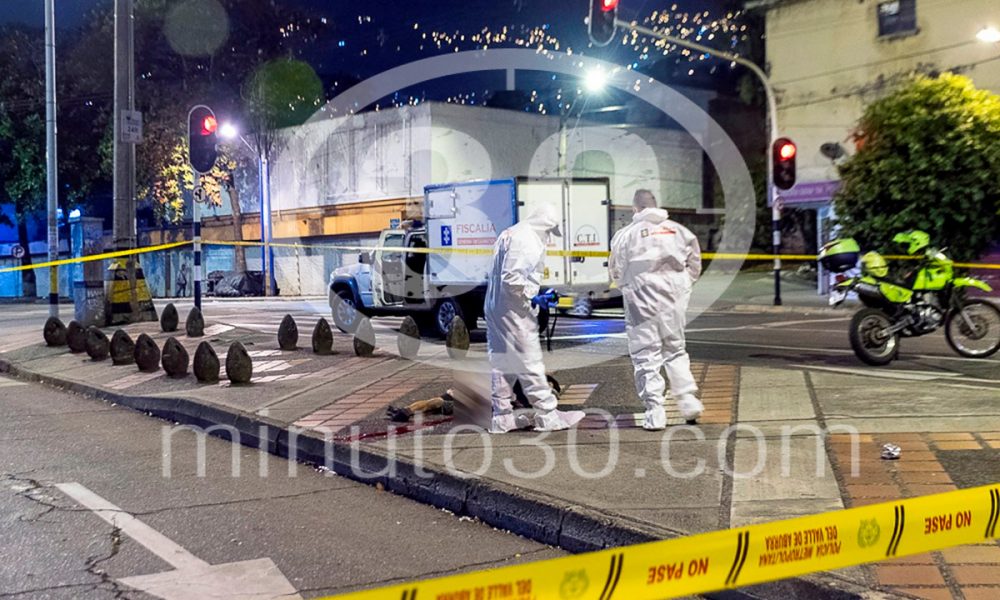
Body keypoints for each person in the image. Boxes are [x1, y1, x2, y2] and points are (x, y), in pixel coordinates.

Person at [485, 206, 586, 433]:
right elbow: (512, 280)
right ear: (544, 225)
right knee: (530, 362)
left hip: (495, 306)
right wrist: (536, 297)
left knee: (503, 363)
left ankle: (501, 417)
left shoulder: (509, 233)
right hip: (513, 311)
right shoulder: (528, 240)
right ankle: (548, 415)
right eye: (549, 232)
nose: (549, 237)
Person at [609, 189, 704, 431]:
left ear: (635, 209)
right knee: (675, 349)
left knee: (646, 354)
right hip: (674, 298)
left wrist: (630, 288)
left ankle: (655, 412)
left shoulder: (627, 234)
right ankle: (688, 400)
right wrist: (683, 285)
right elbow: (694, 263)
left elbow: (617, 269)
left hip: (642, 300)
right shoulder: (679, 230)